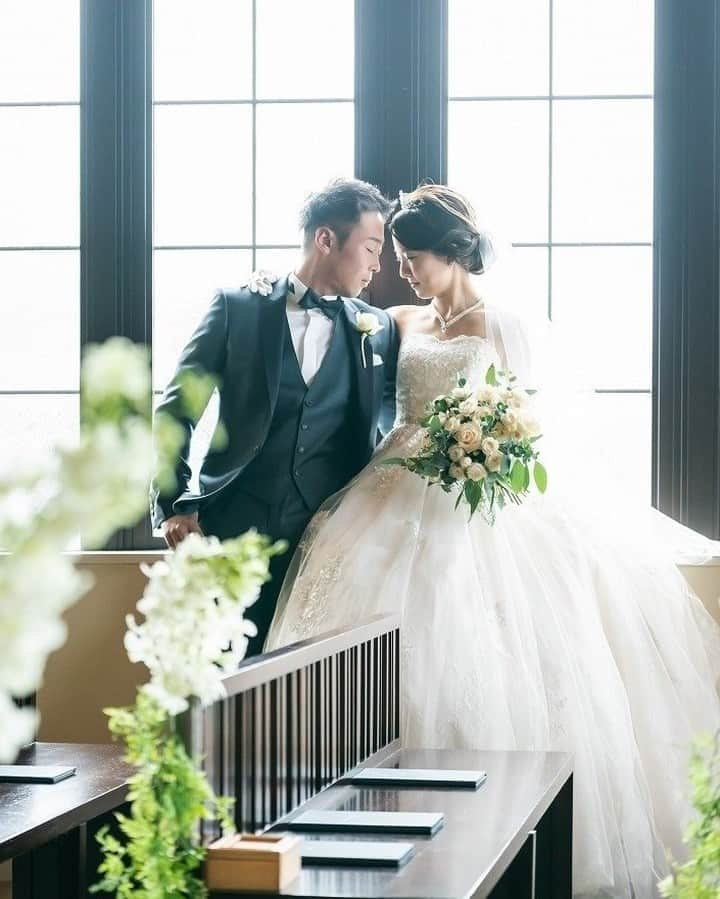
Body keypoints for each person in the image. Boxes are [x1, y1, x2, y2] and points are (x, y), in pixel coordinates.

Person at [265, 184, 720, 898]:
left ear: (453, 253)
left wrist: (486, 450)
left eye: (414, 258)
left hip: (480, 504)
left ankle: (486, 843)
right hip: (392, 488)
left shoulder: (503, 325)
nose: (403, 271)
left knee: (480, 649)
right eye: (398, 257)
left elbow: (534, 426)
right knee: (364, 650)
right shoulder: (395, 320)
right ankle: (359, 835)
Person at [150, 178, 399, 656]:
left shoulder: (378, 327)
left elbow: (384, 430)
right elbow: (176, 411)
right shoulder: (236, 309)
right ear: (326, 240)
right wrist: (175, 503)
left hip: (328, 544)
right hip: (229, 529)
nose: (376, 264)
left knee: (313, 694)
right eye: (371, 247)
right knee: (218, 680)